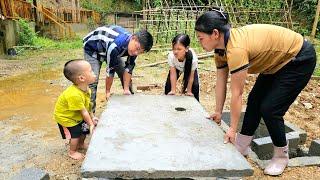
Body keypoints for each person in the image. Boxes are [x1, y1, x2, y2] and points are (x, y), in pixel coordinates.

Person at [195, 8, 316, 176]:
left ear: (215, 33)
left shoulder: (236, 49)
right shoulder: (221, 50)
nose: (199, 43)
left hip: (299, 58)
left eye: (201, 38)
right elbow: (221, 81)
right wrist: (218, 111)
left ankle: (281, 156)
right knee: (254, 102)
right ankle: (243, 146)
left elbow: (237, 93)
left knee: (270, 109)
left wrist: (232, 129)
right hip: (275, 63)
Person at [83, 25, 153, 113]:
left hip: (109, 48)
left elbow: (128, 69)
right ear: (133, 38)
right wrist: (107, 92)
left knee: (124, 74)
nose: (136, 53)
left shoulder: (133, 49)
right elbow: (110, 71)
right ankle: (89, 115)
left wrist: (126, 89)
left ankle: (130, 102)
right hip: (93, 48)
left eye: (140, 52)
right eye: (137, 48)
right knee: (92, 81)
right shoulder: (115, 45)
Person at [54, 59, 99, 160]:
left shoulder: (87, 89)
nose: (94, 73)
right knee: (76, 134)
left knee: (84, 129)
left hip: (77, 114)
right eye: (91, 71)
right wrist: (91, 124)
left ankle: (81, 144)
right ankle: (72, 152)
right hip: (67, 118)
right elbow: (83, 111)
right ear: (82, 78)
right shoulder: (74, 94)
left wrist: (92, 117)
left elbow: (88, 106)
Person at [164, 33, 200, 101]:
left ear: (186, 49)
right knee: (168, 86)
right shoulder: (171, 56)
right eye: (174, 49)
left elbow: (191, 76)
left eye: (179, 49)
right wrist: (173, 90)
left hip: (189, 68)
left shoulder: (193, 59)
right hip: (177, 68)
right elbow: (173, 74)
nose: (175, 52)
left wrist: (189, 91)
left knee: (195, 86)